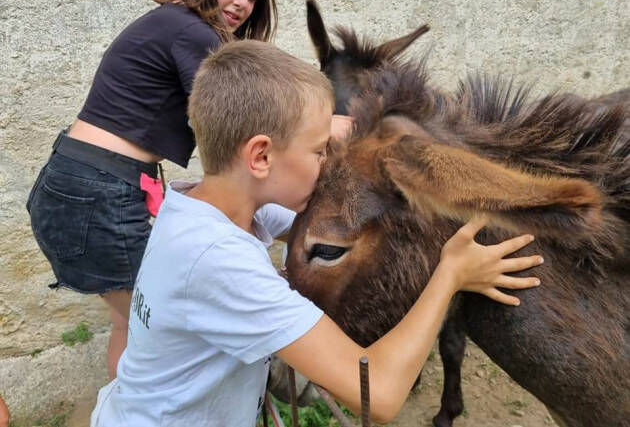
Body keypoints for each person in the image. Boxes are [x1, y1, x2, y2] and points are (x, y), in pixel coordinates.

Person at [90, 40, 543, 426]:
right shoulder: (218, 260)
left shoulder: (199, 205)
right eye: (319, 150)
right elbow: (377, 394)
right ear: (261, 157)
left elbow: (332, 222)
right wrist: (450, 275)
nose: (328, 162)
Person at [26, 0, 277, 381]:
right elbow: (239, 124)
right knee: (159, 331)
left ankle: (123, 408)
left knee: (134, 324)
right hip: (100, 190)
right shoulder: (192, 31)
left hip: (73, 181)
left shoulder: (170, 22)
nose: (241, 2)